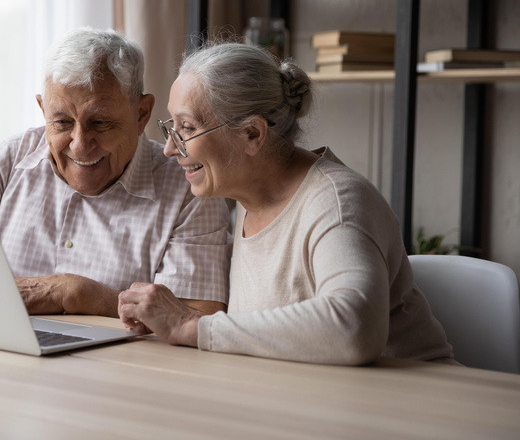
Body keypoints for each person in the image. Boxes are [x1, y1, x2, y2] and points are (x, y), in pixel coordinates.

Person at [118, 42, 457, 366]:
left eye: (187, 128)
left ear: (252, 134)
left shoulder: (338, 202)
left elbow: (354, 328)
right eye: (171, 128)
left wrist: (191, 326)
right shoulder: (249, 197)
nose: (169, 149)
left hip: (411, 405)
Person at [0, 28, 231, 318]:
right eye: (61, 122)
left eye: (100, 123)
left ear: (141, 114)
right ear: (43, 109)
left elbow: (197, 318)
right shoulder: (14, 157)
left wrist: (80, 295)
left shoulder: (188, 189)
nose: (79, 145)